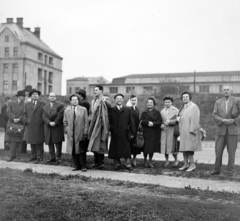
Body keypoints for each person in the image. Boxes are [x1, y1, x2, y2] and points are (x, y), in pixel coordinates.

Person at [211, 85, 240, 176]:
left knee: (231, 152)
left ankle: (230, 171)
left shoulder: (237, 100)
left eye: (228, 89)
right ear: (222, 92)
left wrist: (234, 121)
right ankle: (216, 170)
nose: (226, 91)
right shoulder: (218, 102)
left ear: (231, 91)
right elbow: (214, 115)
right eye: (224, 90)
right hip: (220, 129)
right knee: (218, 151)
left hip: (232, 130)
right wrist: (222, 120)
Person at [108, 94, 136, 171]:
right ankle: (117, 164)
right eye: (117, 98)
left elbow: (131, 122)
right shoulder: (111, 110)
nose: (119, 100)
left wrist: (133, 133)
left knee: (126, 149)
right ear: (115, 100)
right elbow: (109, 122)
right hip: (115, 133)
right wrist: (112, 129)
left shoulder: (127, 110)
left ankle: (128, 164)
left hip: (125, 133)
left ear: (123, 100)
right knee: (115, 148)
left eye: (121, 98)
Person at [177, 92, 202, 172]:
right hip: (183, 130)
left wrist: (192, 130)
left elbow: (195, 120)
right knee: (184, 148)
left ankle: (192, 164)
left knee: (189, 148)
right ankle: (185, 164)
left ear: (190, 97)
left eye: (186, 97)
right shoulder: (183, 107)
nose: (185, 98)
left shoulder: (194, 106)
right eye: (183, 97)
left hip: (190, 131)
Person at [88, 85, 111, 169]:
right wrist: (90, 119)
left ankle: (101, 162)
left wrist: (104, 101)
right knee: (94, 143)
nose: (95, 91)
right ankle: (95, 161)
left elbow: (110, 107)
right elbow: (91, 112)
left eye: (96, 90)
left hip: (101, 125)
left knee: (101, 143)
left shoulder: (106, 98)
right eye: (94, 90)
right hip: (93, 125)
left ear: (101, 91)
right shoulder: (92, 101)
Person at [63, 94, 88, 172]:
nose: (75, 101)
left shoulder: (83, 109)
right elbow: (65, 121)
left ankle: (83, 166)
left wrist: (85, 132)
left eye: (76, 100)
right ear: (70, 101)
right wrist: (67, 129)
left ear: (78, 101)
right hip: (71, 133)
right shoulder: (67, 110)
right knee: (73, 149)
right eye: (73, 100)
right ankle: (76, 165)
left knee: (81, 149)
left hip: (80, 132)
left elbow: (86, 122)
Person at [24, 89, 45, 163]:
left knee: (39, 142)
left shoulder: (43, 103)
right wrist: (26, 121)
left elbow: (45, 114)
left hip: (39, 126)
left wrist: (41, 121)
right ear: (31, 96)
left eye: (36, 94)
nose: (35, 95)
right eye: (33, 94)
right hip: (30, 126)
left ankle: (40, 157)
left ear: (38, 96)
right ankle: (33, 156)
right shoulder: (27, 104)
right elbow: (24, 114)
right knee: (31, 142)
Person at [43, 92, 65, 165]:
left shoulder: (60, 105)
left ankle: (58, 158)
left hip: (57, 126)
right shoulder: (45, 106)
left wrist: (55, 122)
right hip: (49, 127)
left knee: (58, 143)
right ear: (48, 97)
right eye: (51, 96)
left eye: (54, 96)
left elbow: (60, 115)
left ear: (56, 97)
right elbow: (43, 117)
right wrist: (49, 122)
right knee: (50, 142)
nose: (52, 97)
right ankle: (52, 157)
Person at [140, 98, 162, 168]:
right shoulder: (144, 113)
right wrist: (147, 123)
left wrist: (153, 124)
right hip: (146, 132)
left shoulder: (157, 112)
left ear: (154, 104)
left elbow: (159, 121)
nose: (149, 104)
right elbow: (141, 121)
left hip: (154, 132)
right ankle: (145, 160)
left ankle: (150, 161)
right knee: (146, 148)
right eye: (148, 102)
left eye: (151, 102)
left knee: (152, 148)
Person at [6, 91, 25, 161]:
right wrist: (14, 118)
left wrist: (19, 119)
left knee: (19, 140)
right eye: (23, 96)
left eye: (24, 96)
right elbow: (8, 111)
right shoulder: (11, 103)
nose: (24, 97)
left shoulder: (24, 105)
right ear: (19, 96)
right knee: (12, 140)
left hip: (20, 124)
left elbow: (24, 114)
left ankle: (19, 156)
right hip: (11, 123)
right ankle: (12, 156)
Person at [160, 96, 179, 167]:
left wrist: (171, 122)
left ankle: (176, 160)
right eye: (166, 102)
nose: (167, 103)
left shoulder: (176, 110)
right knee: (165, 146)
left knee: (173, 146)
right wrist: (161, 124)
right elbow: (160, 120)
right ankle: (167, 160)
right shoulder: (162, 111)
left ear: (171, 102)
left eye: (169, 102)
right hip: (164, 130)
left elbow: (178, 119)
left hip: (172, 130)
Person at [126, 94, 141, 167]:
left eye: (135, 100)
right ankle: (128, 159)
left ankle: (134, 159)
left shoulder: (137, 109)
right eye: (132, 100)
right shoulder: (127, 108)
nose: (133, 101)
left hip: (136, 129)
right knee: (129, 145)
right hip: (130, 129)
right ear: (130, 100)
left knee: (135, 145)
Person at [21, 85, 32, 153]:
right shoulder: (23, 99)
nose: (27, 93)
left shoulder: (32, 99)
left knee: (30, 134)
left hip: (30, 119)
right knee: (23, 135)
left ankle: (33, 150)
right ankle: (23, 150)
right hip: (23, 118)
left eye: (29, 91)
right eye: (26, 91)